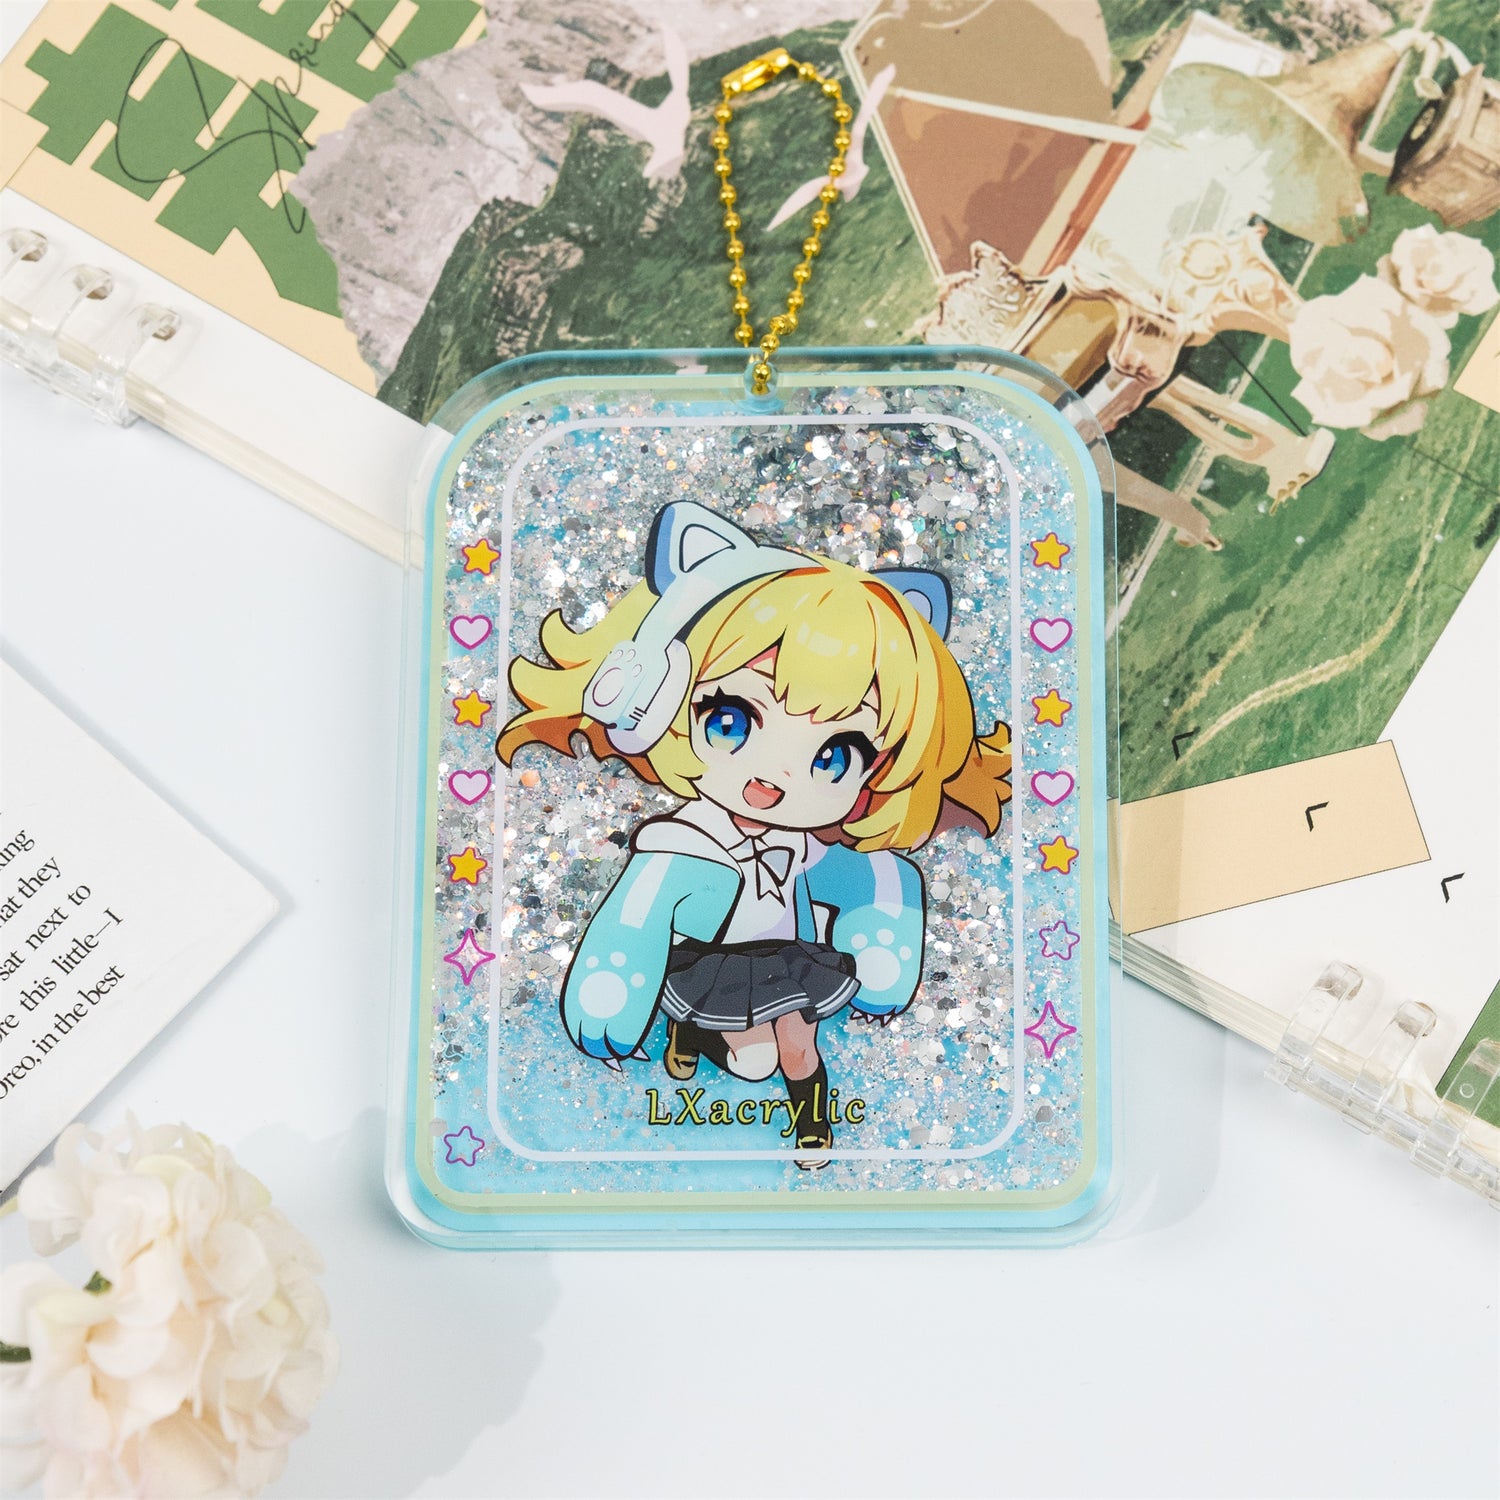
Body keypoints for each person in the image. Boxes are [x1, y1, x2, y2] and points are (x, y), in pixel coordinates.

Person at [497, 501, 1011, 1163]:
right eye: (731, 720)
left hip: (784, 957)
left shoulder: (805, 840)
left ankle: (814, 1132)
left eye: (835, 755)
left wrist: (883, 927)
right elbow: (639, 914)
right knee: (749, 1059)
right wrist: (611, 993)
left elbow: (862, 874)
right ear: (655, 697)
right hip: (706, 961)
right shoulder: (684, 845)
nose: (774, 780)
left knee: (795, 1047)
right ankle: (687, 1032)